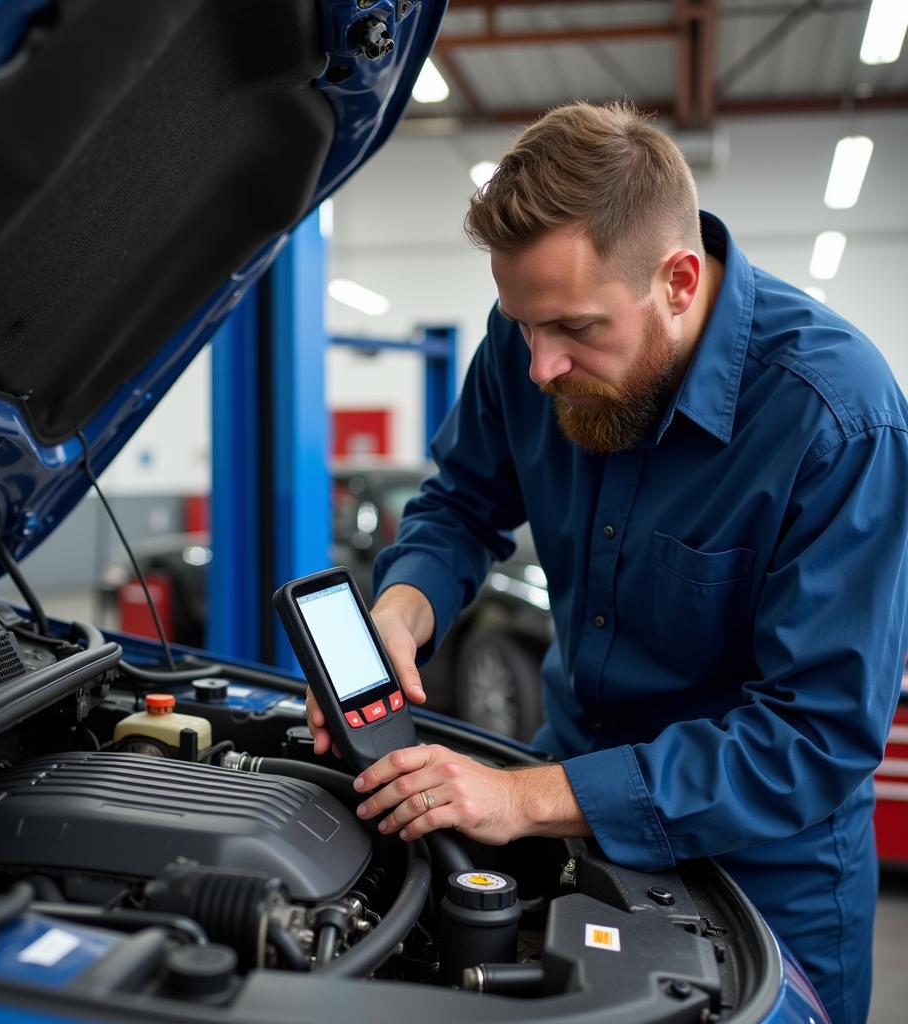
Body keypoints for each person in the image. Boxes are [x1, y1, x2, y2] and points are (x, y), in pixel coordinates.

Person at [305, 101, 908, 1024]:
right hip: (571, 827)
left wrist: (526, 797)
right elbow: (461, 506)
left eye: (576, 331)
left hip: (763, 885)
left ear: (676, 280)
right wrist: (403, 610)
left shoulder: (834, 419)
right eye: (522, 324)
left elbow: (813, 738)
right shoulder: (532, 340)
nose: (540, 366)